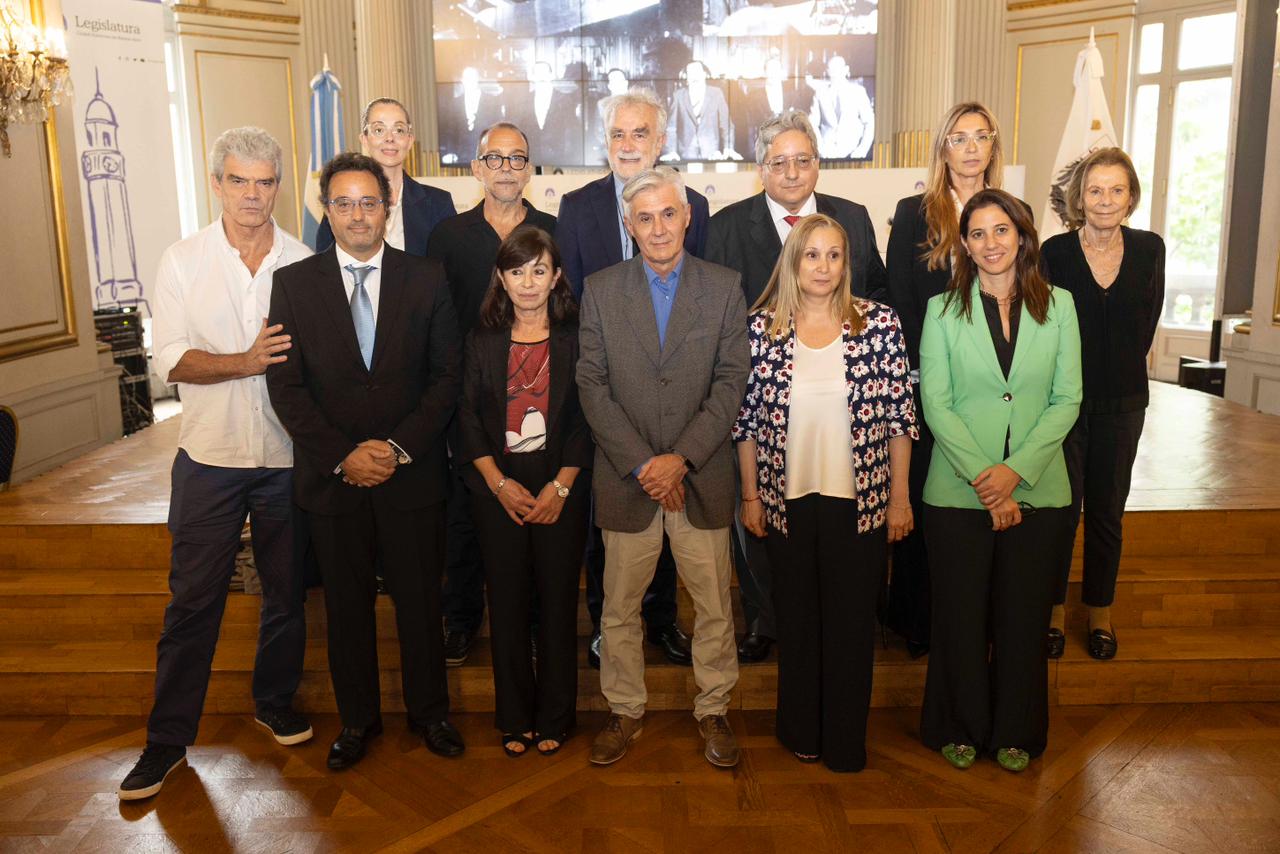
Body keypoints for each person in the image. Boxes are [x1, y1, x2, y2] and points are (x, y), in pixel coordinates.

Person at [119, 127, 313, 801]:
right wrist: (243, 361)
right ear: (217, 183)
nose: (252, 194)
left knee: (286, 593)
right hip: (208, 459)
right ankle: (167, 741)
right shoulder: (181, 260)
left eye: (264, 181)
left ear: (278, 187)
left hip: (289, 458)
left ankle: (274, 701)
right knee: (193, 601)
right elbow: (169, 359)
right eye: (239, 180)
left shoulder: (305, 260)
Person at [266, 152, 464, 770]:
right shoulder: (294, 284)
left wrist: (397, 449)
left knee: (419, 607)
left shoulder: (427, 277)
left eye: (369, 202)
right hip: (335, 482)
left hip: (413, 478)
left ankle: (431, 715)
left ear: (388, 207)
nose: (357, 215)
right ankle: (357, 722)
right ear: (328, 211)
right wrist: (343, 456)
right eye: (344, 203)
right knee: (346, 610)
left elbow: (445, 376)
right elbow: (287, 387)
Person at [577, 167, 749, 768]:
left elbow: (732, 382)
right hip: (629, 482)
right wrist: (645, 464)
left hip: (699, 478)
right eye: (644, 218)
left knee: (713, 607)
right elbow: (592, 387)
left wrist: (681, 459)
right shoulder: (599, 289)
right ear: (629, 225)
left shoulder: (724, 287)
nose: (657, 228)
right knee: (620, 610)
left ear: (687, 217)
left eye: (668, 214)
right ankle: (624, 710)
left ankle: (714, 709)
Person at [734, 214, 916, 772]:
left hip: (859, 503)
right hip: (783, 503)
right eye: (811, 255)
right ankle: (800, 730)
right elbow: (744, 422)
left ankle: (844, 740)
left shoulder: (879, 323)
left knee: (850, 626)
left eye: (834, 255)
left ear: (847, 262)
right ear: (793, 261)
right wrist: (750, 497)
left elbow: (900, 418)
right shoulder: (761, 327)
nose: (823, 266)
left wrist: (900, 498)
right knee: (798, 621)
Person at [706, 109, 888, 662]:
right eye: (778, 162)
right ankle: (766, 617)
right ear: (761, 170)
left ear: (817, 165)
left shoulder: (851, 219)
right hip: (755, 397)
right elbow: (714, 314)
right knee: (759, 515)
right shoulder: (726, 226)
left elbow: (876, 296)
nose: (791, 172)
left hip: (840, 396)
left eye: (802, 160)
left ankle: (837, 618)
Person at [918, 189, 1081, 773]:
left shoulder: (1059, 306)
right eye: (979, 233)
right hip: (958, 494)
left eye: (1002, 231)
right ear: (964, 243)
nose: (991, 244)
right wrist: (990, 482)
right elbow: (935, 403)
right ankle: (958, 724)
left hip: (1041, 491)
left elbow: (1068, 400)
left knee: (1022, 618)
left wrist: (1016, 474)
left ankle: (1017, 728)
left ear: (1022, 236)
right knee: (960, 617)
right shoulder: (942, 311)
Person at [557, 88, 709, 670]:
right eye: (618, 134)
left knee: (671, 509)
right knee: (613, 518)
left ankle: (665, 621)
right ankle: (606, 624)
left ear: (661, 141)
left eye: (640, 133)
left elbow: (702, 295)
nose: (628, 144)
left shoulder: (692, 203)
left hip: (676, 393)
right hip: (605, 396)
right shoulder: (577, 207)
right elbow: (569, 301)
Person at [456, 226, 592, 757]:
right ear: (501, 278)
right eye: (517, 271)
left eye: (539, 269)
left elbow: (585, 419)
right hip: (498, 489)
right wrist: (498, 483)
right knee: (507, 606)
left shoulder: (577, 337)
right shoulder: (482, 340)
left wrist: (561, 486)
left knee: (558, 606)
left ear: (556, 275)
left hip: (564, 486)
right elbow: (466, 418)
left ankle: (557, 715)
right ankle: (514, 716)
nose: (529, 282)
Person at [428, 123, 558, 665]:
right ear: (477, 168)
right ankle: (461, 618)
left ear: (530, 169)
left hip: (536, 395)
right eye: (495, 159)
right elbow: (436, 320)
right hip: (468, 397)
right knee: (465, 513)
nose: (506, 168)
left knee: (531, 513)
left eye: (517, 159)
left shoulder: (551, 228)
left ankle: (530, 623)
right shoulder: (448, 236)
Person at [885, 102, 1010, 658]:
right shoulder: (914, 212)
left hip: (996, 387)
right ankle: (920, 621)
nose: (971, 147)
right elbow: (900, 300)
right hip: (928, 383)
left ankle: (980, 620)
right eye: (959, 137)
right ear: (944, 149)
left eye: (981, 136)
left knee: (981, 501)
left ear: (992, 146)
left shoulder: (1014, 210)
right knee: (926, 500)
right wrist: (927, 372)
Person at [1042, 147, 1164, 661]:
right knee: (1061, 513)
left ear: (1131, 196)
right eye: (1095, 190)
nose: (1105, 200)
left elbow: (1146, 325)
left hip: (1124, 403)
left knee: (1107, 514)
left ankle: (1100, 615)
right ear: (1080, 197)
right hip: (1064, 406)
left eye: (1117, 190)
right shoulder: (1055, 252)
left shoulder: (1150, 248)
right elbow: (1044, 331)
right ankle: (1050, 614)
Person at [318, 98, 456, 256]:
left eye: (399, 130)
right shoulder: (342, 204)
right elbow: (325, 267)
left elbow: (451, 270)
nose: (390, 138)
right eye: (379, 130)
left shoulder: (438, 204)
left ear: (410, 140)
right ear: (364, 139)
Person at [509, 61, 583, 166]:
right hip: (532, 160)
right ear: (532, 77)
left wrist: (569, 157)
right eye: (538, 73)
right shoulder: (523, 102)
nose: (541, 77)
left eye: (544, 72)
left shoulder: (565, 99)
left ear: (551, 75)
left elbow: (572, 130)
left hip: (560, 160)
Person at [665, 61, 738, 161]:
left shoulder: (716, 93)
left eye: (697, 72)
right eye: (690, 73)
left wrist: (728, 148)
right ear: (686, 78)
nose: (694, 76)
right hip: (686, 153)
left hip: (711, 153)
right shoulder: (678, 96)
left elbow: (726, 124)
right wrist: (671, 151)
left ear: (704, 74)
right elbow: (671, 128)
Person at [810, 55, 873, 160]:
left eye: (838, 68)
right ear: (827, 71)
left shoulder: (858, 92)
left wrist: (862, 149)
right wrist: (820, 149)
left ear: (846, 69)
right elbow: (812, 124)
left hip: (853, 154)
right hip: (826, 154)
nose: (835, 72)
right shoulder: (820, 93)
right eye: (832, 69)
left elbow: (869, 122)